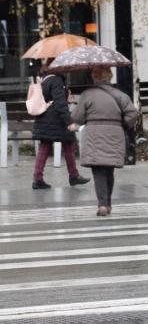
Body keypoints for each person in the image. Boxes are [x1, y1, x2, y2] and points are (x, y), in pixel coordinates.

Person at [69, 66, 137, 216]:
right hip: (114, 133)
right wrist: (122, 124)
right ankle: (108, 204)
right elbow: (132, 113)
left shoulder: (87, 94)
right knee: (109, 169)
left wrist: (76, 106)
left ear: (94, 77)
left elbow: (77, 117)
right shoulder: (120, 95)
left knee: (98, 170)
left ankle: (102, 205)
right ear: (110, 77)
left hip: (94, 134)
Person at [31, 59, 90, 190]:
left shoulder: (45, 78)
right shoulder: (57, 80)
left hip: (44, 118)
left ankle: (37, 178)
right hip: (55, 118)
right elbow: (59, 103)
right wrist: (69, 121)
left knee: (45, 146)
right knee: (69, 143)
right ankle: (73, 175)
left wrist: (65, 94)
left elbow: (50, 97)